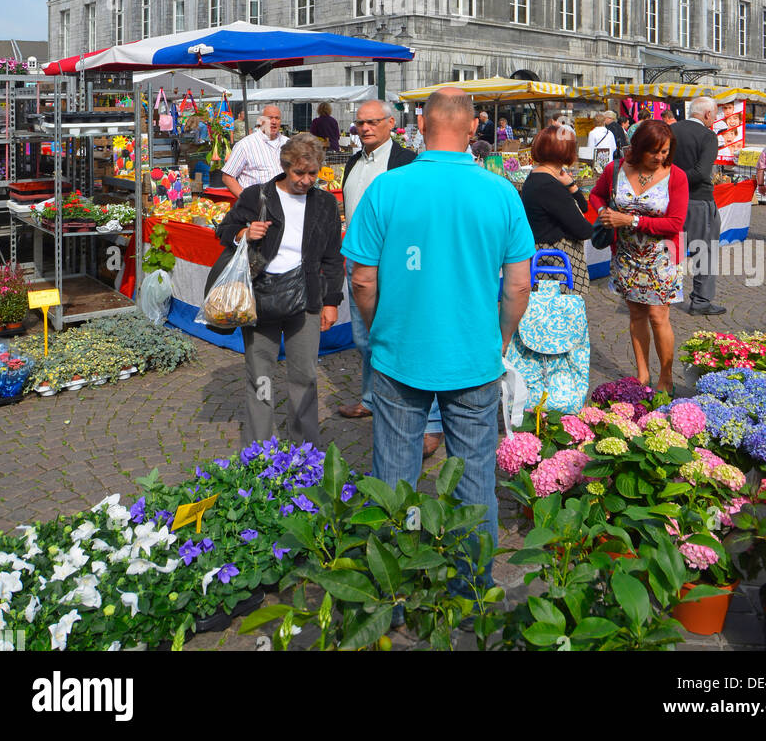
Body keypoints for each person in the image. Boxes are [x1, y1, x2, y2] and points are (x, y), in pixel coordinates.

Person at [343, 87, 534, 571]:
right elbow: (518, 286)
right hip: (473, 356)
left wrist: (379, 323)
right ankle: (470, 586)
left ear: (420, 126)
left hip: (399, 352)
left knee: (395, 475)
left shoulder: (387, 187)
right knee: (474, 481)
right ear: (474, 129)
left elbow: (362, 277)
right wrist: (502, 339)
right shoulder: (502, 192)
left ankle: (395, 581)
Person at [215, 133, 343, 446]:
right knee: (260, 377)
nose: (306, 180)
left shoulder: (324, 202)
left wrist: (331, 302)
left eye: (313, 173)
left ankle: (304, 448)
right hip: (261, 295)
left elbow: (332, 256)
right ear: (285, 167)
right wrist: (244, 232)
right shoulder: (257, 195)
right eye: (299, 172)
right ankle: (258, 449)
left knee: (305, 377)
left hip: (306, 298)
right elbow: (224, 231)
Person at [336, 100, 430, 443]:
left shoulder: (406, 161)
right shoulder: (353, 161)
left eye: (372, 122)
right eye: (359, 123)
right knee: (363, 335)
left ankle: (401, 403)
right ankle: (371, 398)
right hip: (358, 259)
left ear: (391, 123)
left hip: (393, 262)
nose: (364, 128)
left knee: (394, 333)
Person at [591, 118, 689, 394]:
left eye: (665, 151)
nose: (660, 157)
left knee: (659, 316)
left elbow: (675, 224)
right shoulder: (616, 169)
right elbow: (596, 196)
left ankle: (666, 377)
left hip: (661, 257)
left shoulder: (676, 176)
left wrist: (629, 220)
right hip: (626, 255)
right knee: (636, 314)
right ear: (638, 148)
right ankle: (642, 374)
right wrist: (604, 214)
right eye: (654, 151)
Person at [670, 96, 725, 316]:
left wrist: (669, 180)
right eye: (714, 115)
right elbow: (702, 172)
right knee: (705, 250)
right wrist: (676, 181)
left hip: (671, 199)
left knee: (669, 248)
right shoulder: (708, 135)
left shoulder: (670, 131)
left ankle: (661, 294)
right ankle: (701, 301)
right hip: (697, 200)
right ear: (707, 115)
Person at [521, 126, 593, 292]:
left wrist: (571, 185)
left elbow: (583, 207)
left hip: (545, 259)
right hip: (555, 264)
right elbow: (583, 230)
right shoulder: (548, 185)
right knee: (562, 314)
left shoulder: (537, 178)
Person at [222, 105, 286, 199]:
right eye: (269, 118)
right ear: (261, 121)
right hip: (256, 207)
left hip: (283, 204)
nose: (273, 122)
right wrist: (246, 200)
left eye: (277, 118)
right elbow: (227, 176)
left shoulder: (288, 143)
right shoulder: (245, 145)